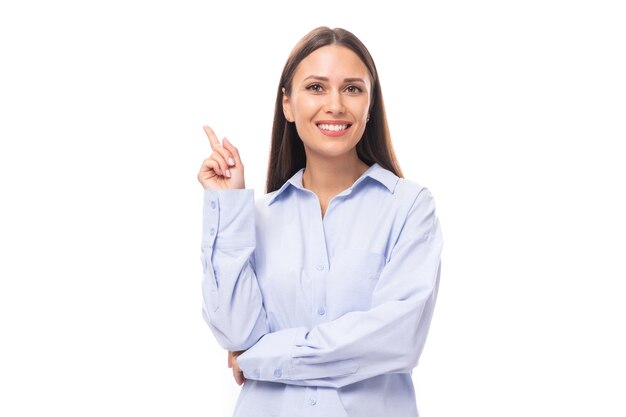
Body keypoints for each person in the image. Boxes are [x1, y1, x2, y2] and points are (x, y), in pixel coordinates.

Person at [197, 26, 443, 417]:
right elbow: (235, 332)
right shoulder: (256, 218)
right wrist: (228, 205)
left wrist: (260, 357)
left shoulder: (409, 207)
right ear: (288, 105)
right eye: (315, 87)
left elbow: (395, 339)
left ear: (370, 104)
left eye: (352, 88)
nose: (335, 105)